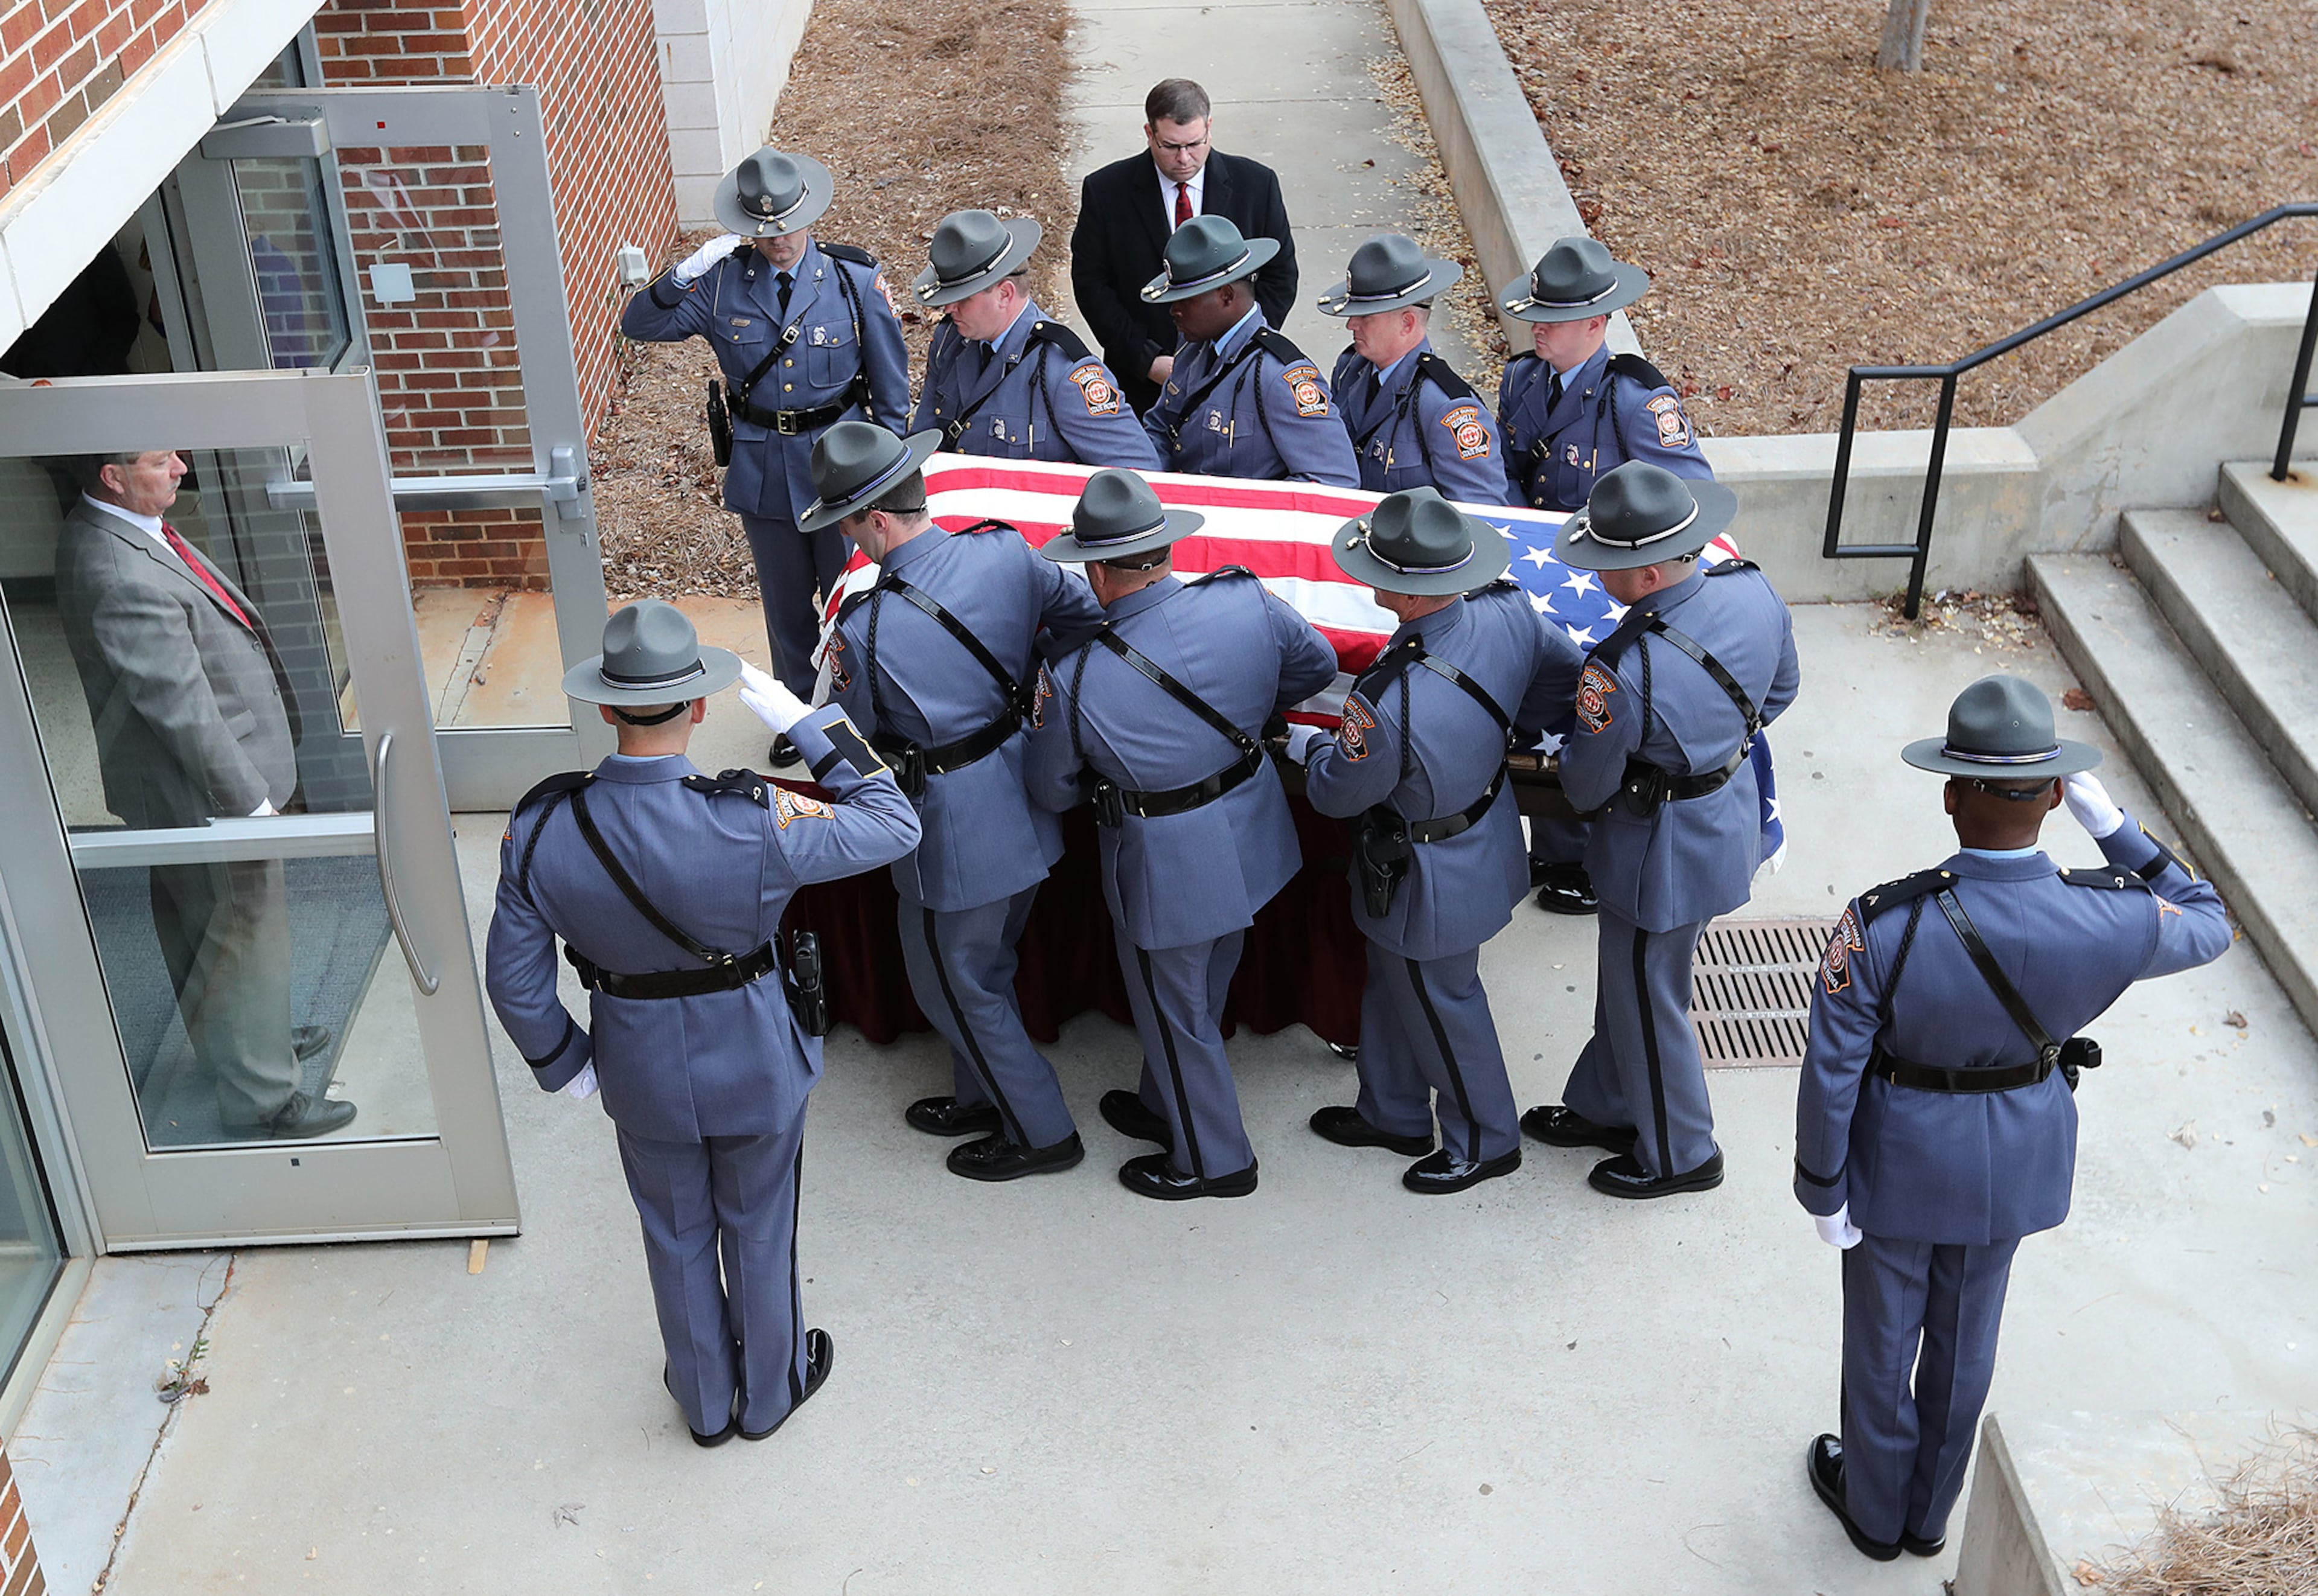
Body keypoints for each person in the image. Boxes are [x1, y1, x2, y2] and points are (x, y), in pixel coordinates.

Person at [1793, 676, 2228, 1562]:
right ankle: (1926, 1519)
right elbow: (2211, 920)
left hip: (1900, 1159)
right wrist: (2122, 836)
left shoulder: (1883, 924)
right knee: (1968, 1338)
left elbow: (1833, 1066)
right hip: (2017, 1159)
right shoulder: (2109, 917)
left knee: (1883, 1342)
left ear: (1950, 793)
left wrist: (1821, 1184)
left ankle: (1874, 1517)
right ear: (2060, 794)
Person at [485, 601, 920, 1445]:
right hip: (756, 1057)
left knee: (675, 1230)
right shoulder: (754, 817)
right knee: (760, 1225)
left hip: (638, 1064)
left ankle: (705, 1401)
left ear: (605, 707)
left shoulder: (541, 828)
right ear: (702, 706)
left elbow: (514, 978)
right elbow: (893, 823)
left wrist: (566, 1061)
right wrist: (810, 725)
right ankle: (769, 1395)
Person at [802, 421, 1105, 1180]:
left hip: (955, 832)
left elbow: (848, 739)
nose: (847, 535)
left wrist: (801, 732)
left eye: (846, 519)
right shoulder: (1004, 549)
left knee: (953, 983)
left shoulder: (864, 628)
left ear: (875, 517)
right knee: (988, 966)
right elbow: (1081, 624)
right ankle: (985, 1093)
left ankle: (1041, 1131)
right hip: (1029, 790)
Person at [1024, 469, 1336, 1199]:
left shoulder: (1073, 676)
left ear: (1097, 571)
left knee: (1175, 1010)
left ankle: (1213, 1158)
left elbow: (1051, 786)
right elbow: (1317, 665)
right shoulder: (1243, 597)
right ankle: (1165, 1101)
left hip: (1167, 856)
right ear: (1164, 549)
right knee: (1207, 982)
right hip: (1255, 826)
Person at [1288, 490, 1581, 1193]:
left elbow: (1337, 791)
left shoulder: (1388, 705)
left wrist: (1305, 746)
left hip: (1426, 874)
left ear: (1408, 594)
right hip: (1478, 832)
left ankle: (1486, 1139)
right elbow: (1561, 676)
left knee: (1443, 1002)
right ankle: (1392, 1112)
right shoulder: (1507, 609)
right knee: (1395, 985)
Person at [53, 448, 350, 1139]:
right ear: (113, 475)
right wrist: (250, 804)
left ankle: (243, 1042)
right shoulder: (116, 568)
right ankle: (262, 1097)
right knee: (243, 930)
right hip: (202, 789)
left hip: (177, 785)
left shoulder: (122, 529)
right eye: (162, 460)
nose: (182, 466)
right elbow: (179, 706)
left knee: (200, 920)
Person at [1520, 462, 1798, 1198]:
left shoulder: (1620, 672)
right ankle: (1609, 1104)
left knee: (1650, 997)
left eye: (1608, 562)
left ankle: (1682, 1153)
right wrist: (1708, 742)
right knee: (1632, 982)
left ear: (1644, 574)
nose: (1599, 572)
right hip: (1723, 813)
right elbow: (1782, 689)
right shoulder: (1753, 589)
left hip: (1659, 853)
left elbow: (1585, 784)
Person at [619, 147, 910, 732]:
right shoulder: (723, 282)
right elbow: (638, 325)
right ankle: (803, 719)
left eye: (788, 228)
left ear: (811, 213)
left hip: (843, 469)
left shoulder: (852, 280)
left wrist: (891, 480)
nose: (779, 242)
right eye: (765, 232)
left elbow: (892, 393)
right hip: (765, 467)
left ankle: (864, 712)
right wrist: (682, 275)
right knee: (785, 610)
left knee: (852, 599)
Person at [1496, 236, 1715, 915]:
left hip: (1612, 586)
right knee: (1541, 703)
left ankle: (1583, 854)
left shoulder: (1638, 400)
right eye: (1536, 313)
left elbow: (1689, 497)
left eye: (1554, 318)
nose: (1538, 326)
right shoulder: (1521, 378)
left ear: (1598, 323)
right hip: (1543, 574)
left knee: (1591, 714)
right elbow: (1504, 477)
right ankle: (1553, 835)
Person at [1070, 77, 1300, 417]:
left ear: (1209, 128)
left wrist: (1239, 350)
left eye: (1195, 144)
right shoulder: (1106, 192)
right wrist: (1146, 360)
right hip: (1145, 383)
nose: (1184, 159)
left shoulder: (1257, 185)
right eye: (1170, 146)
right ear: (1149, 133)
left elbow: (1280, 277)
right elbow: (1092, 285)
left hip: (1238, 376)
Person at [907, 210, 1158, 470]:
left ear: (1005, 294)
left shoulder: (1065, 373)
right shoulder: (950, 341)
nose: (949, 309)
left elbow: (1140, 471)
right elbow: (924, 441)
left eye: (964, 298)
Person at [1138, 216, 1359, 488]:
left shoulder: (1280, 377)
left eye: (1187, 299)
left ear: (1227, 296)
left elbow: (1334, 479)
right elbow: (1160, 428)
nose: (1174, 310)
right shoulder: (1192, 349)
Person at [1318, 235, 1513, 506]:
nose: (1351, 324)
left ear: (1407, 323)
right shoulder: (1351, 369)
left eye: (1366, 317)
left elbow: (1480, 512)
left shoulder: (1448, 408)